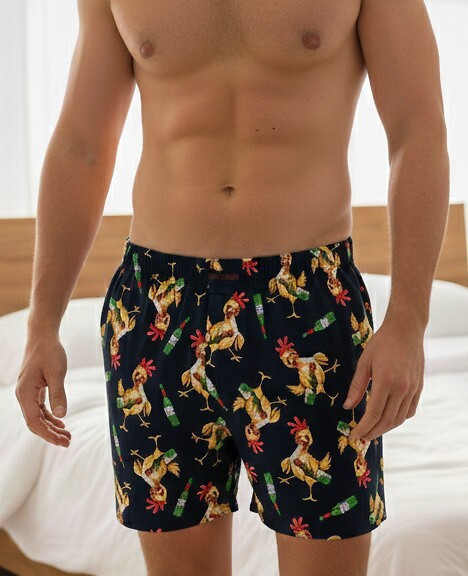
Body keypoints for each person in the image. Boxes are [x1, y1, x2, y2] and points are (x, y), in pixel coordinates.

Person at [15, 0, 449, 574]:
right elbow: (81, 144)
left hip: (304, 302)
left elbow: (418, 134)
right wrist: (42, 323)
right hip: (157, 304)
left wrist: (409, 321)